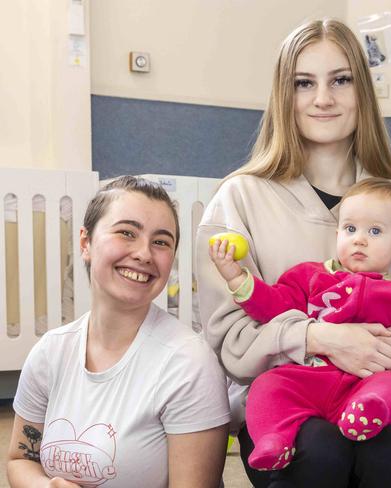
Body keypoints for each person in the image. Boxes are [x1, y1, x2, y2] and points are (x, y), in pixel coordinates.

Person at [196, 18, 391, 488]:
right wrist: (318, 338)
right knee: (320, 452)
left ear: (362, 90)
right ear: (284, 97)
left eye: (340, 80)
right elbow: (232, 346)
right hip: (283, 412)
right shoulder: (237, 200)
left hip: (371, 405)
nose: (323, 98)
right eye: (304, 83)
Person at [210, 178, 391, 471]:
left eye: (375, 231)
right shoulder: (308, 277)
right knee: (268, 385)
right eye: (350, 229)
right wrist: (237, 278)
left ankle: (366, 413)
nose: (359, 239)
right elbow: (273, 306)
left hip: (365, 382)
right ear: (338, 233)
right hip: (310, 377)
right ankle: (274, 439)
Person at [7, 176, 231, 488]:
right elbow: (20, 460)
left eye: (161, 242)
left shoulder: (189, 364)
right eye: (127, 233)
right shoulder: (50, 352)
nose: (144, 253)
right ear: (85, 243)